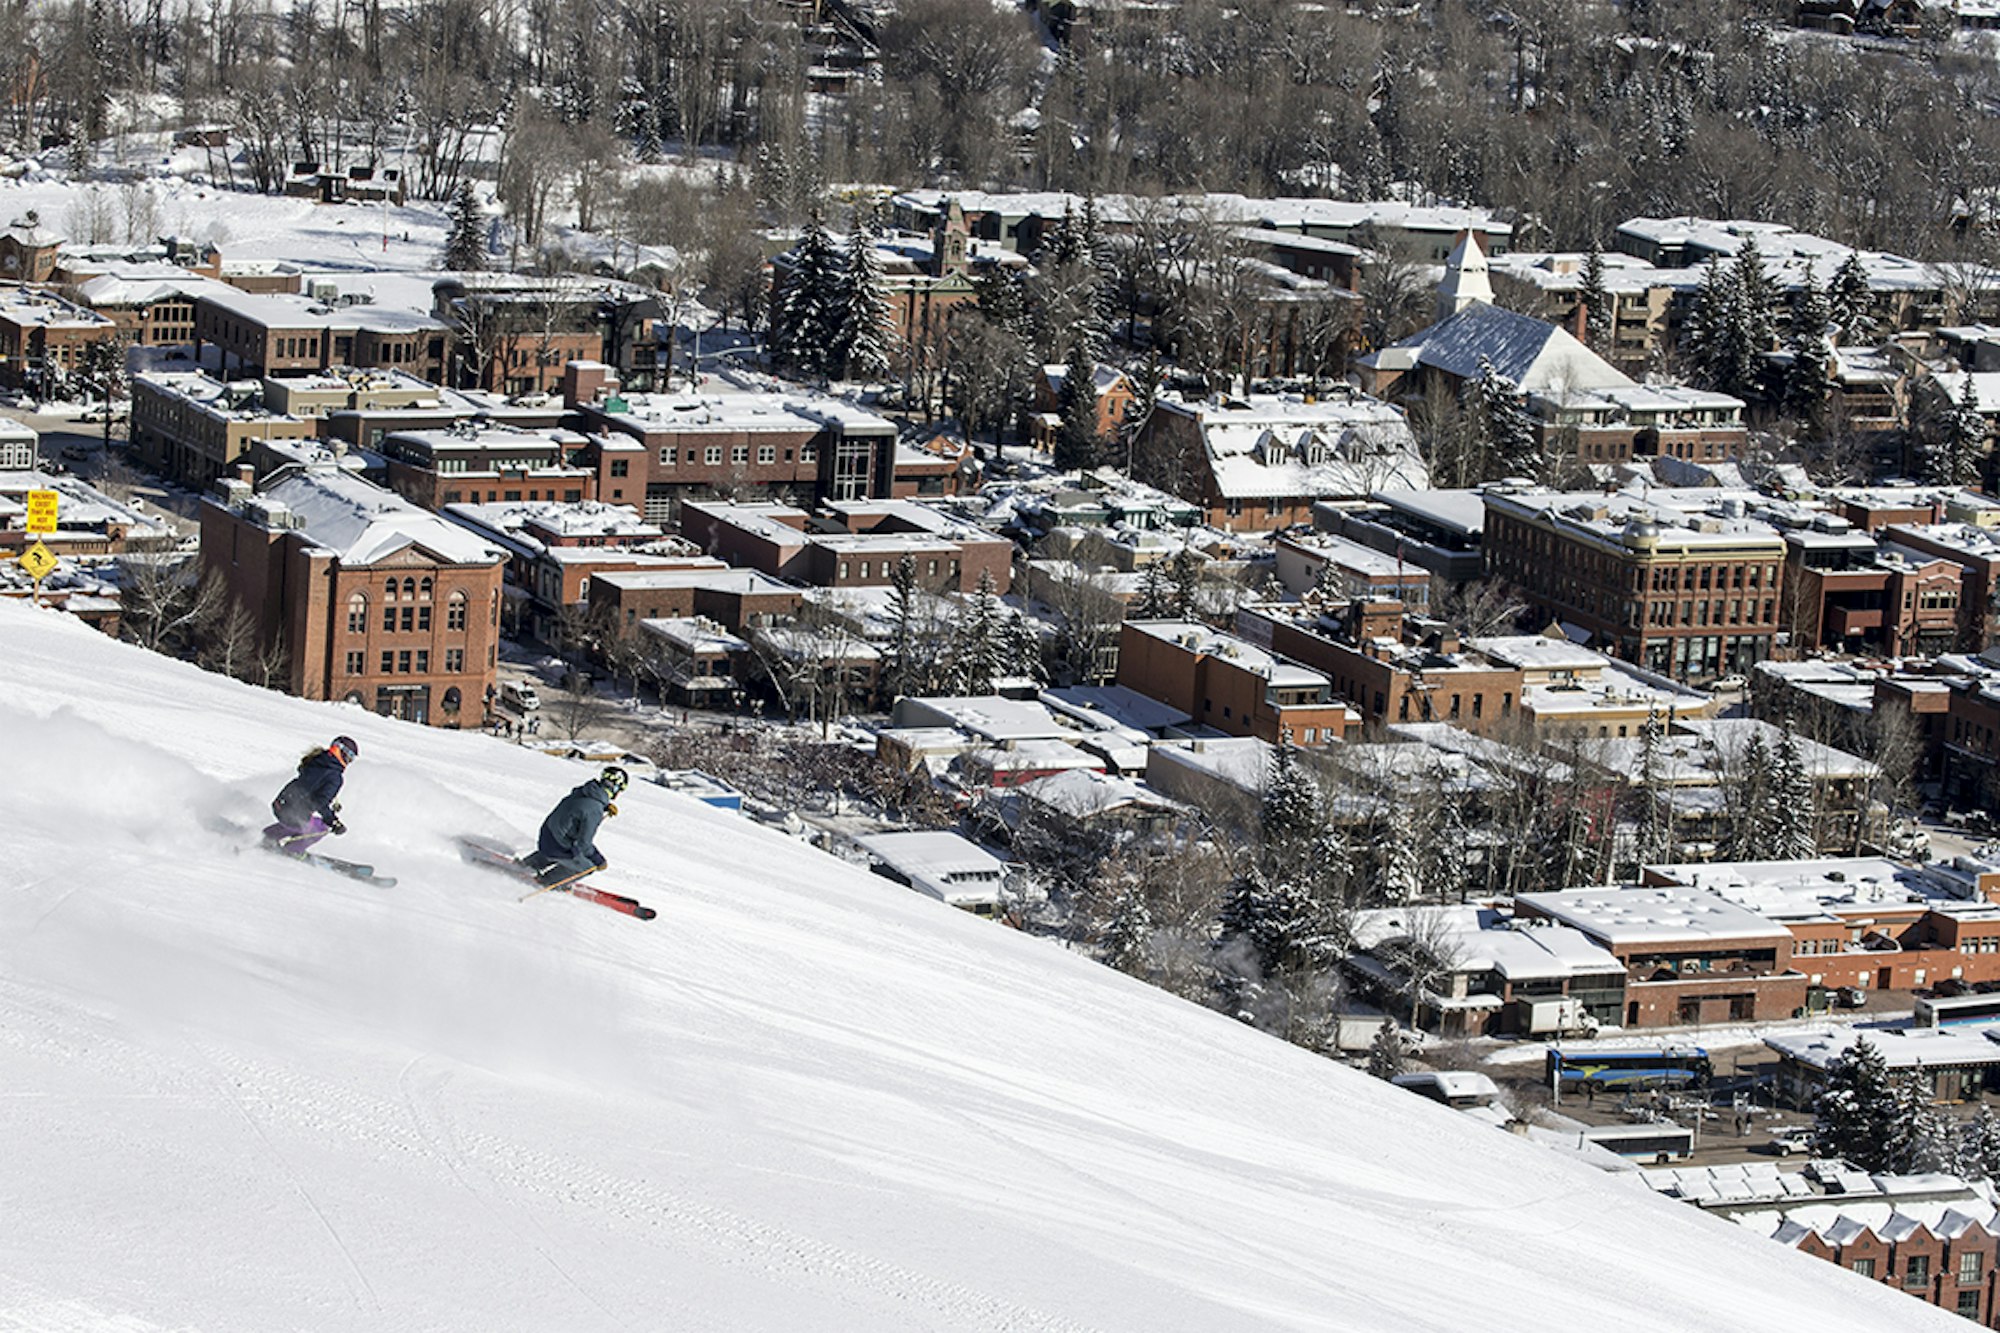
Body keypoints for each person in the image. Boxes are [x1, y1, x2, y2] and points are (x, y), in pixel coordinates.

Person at [522, 766, 627, 886]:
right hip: (555, 846)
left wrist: (604, 806)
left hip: (547, 834)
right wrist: (598, 860)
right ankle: (546, 882)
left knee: (566, 843)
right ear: (616, 788)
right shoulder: (595, 809)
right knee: (587, 866)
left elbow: (582, 809)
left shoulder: (583, 791)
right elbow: (584, 844)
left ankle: (530, 864)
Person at [264, 736, 359, 854]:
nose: (349, 761)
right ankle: (292, 851)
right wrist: (332, 822)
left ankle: (267, 836)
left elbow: (312, 784)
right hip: (292, 811)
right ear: (341, 752)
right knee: (320, 828)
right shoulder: (334, 776)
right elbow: (320, 803)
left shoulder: (318, 759)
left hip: (281, 803)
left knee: (299, 820)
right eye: (350, 756)